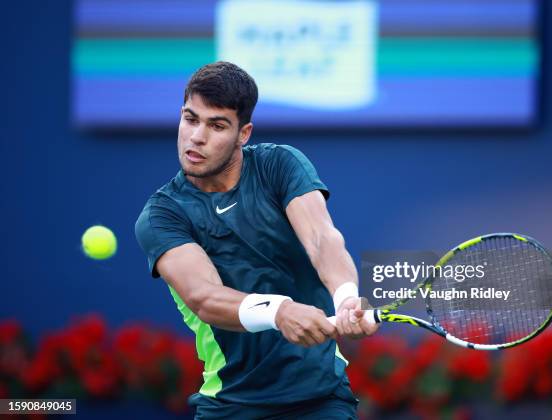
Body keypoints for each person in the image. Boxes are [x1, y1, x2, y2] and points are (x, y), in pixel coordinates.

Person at [135, 61, 378, 419]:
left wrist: (344, 298)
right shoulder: (162, 215)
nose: (197, 137)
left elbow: (322, 239)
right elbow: (205, 298)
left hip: (321, 399)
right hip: (230, 404)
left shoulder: (279, 165)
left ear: (243, 133)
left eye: (216, 125)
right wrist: (279, 311)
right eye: (190, 119)